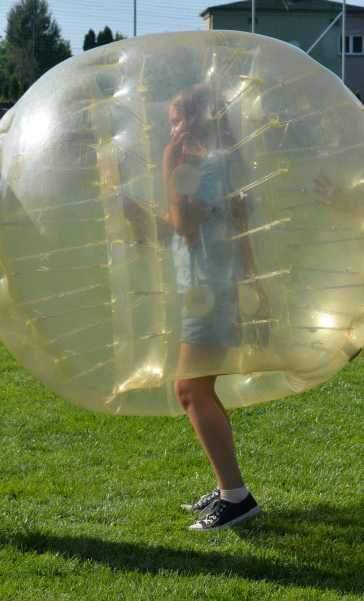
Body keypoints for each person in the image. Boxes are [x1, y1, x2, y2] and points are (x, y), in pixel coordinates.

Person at [161, 84, 263, 530]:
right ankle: (227, 489)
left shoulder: (215, 163)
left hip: (211, 292)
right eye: (171, 121)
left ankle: (237, 497)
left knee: (190, 390)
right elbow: (185, 227)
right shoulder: (212, 161)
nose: (175, 130)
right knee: (200, 389)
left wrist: (167, 168)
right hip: (210, 288)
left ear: (204, 119)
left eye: (180, 119)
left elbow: (185, 220)